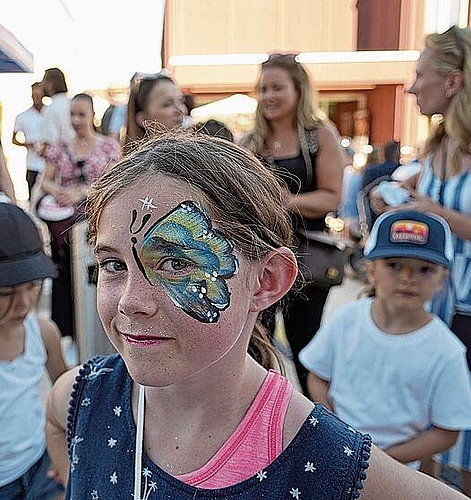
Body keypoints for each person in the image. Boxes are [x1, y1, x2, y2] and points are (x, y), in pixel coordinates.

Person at [45, 133, 468, 500]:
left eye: (176, 264)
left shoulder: (319, 456)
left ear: (266, 280)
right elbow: (54, 420)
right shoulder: (85, 396)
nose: (129, 302)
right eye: (113, 265)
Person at [370, 26, 471, 489]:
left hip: (467, 311)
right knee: (427, 420)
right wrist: (395, 201)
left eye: (419, 74)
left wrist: (433, 213)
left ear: (452, 82)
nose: (411, 86)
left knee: (462, 434)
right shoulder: (435, 147)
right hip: (435, 306)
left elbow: (441, 215)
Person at [300, 210, 471, 471]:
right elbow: (318, 375)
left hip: (396, 471)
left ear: (442, 279)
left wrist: (382, 459)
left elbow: (447, 430)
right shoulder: (347, 320)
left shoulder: (446, 351)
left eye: (425, 269)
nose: (408, 278)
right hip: (334, 454)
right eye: (394, 265)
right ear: (370, 270)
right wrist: (336, 431)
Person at [243, 53, 348, 394]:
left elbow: (331, 198)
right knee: (255, 347)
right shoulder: (250, 142)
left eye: (277, 87)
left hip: (307, 262)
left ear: (298, 91)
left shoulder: (319, 136)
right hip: (259, 257)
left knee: (307, 350)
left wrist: (280, 200)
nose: (268, 96)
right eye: (262, 88)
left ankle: (311, 429)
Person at [0, 202, 67, 499]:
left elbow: (67, 396)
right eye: (5, 293)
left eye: (32, 286)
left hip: (42, 468)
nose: (24, 303)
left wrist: (60, 446)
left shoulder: (43, 332)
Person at [40, 93, 120, 341]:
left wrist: (82, 192)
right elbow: (45, 181)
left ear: (92, 115)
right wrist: (61, 192)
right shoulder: (60, 148)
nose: (76, 120)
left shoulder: (108, 146)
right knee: (64, 279)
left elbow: (115, 182)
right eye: (72, 114)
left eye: (81, 114)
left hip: (96, 226)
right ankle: (68, 334)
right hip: (63, 227)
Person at [124, 71, 185, 153]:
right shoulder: (145, 164)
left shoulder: (194, 154)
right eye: (167, 104)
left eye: (181, 101)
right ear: (143, 119)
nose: (181, 110)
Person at [12, 82, 47, 198]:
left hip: (49, 166)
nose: (36, 97)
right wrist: (29, 144)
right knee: (32, 198)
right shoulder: (23, 116)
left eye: (39, 94)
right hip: (32, 164)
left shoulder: (50, 113)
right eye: (34, 94)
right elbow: (14, 139)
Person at [41, 68, 75, 146]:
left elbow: (51, 141)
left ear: (50, 85)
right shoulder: (74, 103)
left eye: (44, 82)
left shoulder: (50, 109)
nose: (42, 85)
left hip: (62, 155)